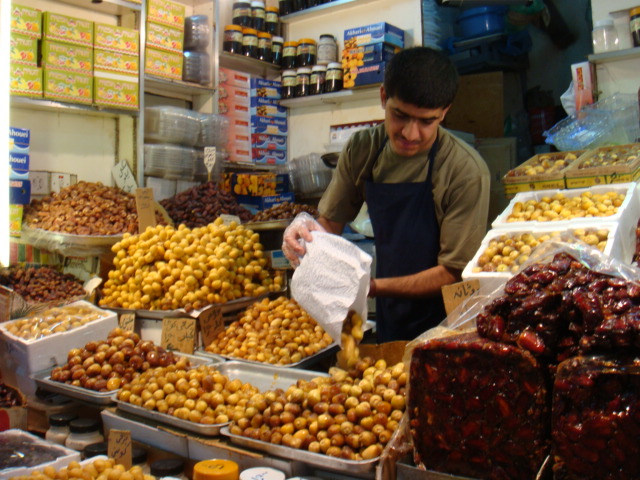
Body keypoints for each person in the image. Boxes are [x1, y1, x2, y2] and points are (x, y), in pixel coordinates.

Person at [283, 46, 490, 342]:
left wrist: (371, 287)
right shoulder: (364, 149)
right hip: (391, 314)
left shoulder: (464, 170)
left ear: (444, 112)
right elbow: (328, 224)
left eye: (426, 121)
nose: (410, 133)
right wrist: (305, 234)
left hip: (449, 324)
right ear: (383, 97)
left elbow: (452, 272)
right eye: (400, 116)